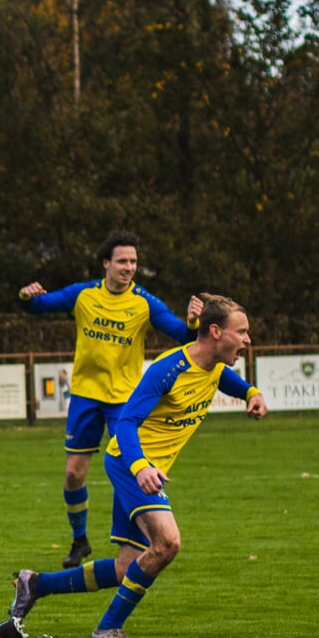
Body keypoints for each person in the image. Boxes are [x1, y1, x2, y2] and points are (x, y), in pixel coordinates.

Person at [9, 294, 266, 638]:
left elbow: (228, 381)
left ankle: (36, 584)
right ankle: (107, 628)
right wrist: (141, 466)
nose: (248, 340)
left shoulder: (215, 367)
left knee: (126, 565)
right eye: (243, 332)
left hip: (144, 468)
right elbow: (127, 422)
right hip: (131, 463)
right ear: (217, 332)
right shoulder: (168, 369)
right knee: (168, 543)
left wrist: (252, 392)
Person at [19, 231, 201, 568]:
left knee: (130, 469)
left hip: (125, 403)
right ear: (106, 263)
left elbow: (183, 336)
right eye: (122, 261)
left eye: (133, 261)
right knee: (74, 474)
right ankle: (80, 540)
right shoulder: (83, 295)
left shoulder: (145, 302)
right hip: (86, 397)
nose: (129, 267)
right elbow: (39, 305)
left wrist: (192, 320)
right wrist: (27, 296)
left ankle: (135, 537)